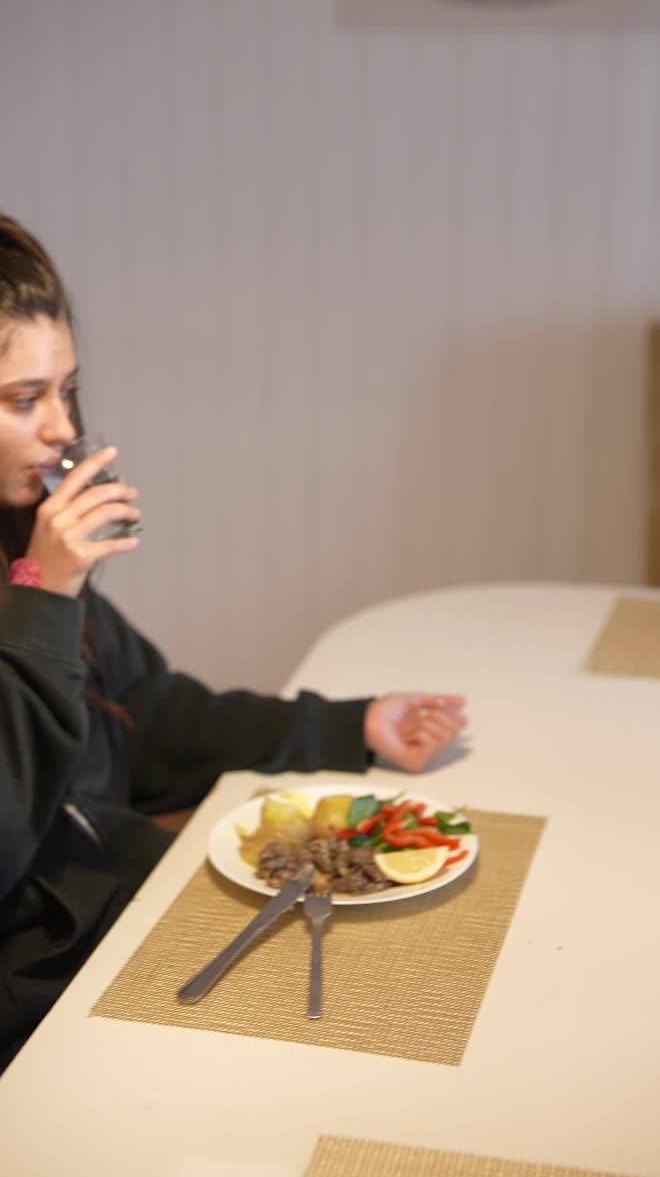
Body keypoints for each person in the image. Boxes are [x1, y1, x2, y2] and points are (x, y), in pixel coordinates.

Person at [0, 214, 466, 1072]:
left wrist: (347, 728)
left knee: (423, 981)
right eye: (24, 400)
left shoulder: (17, 552)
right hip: (37, 1007)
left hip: (120, 912)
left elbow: (144, 715)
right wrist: (44, 598)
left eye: (66, 390)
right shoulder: (35, 583)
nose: (64, 428)